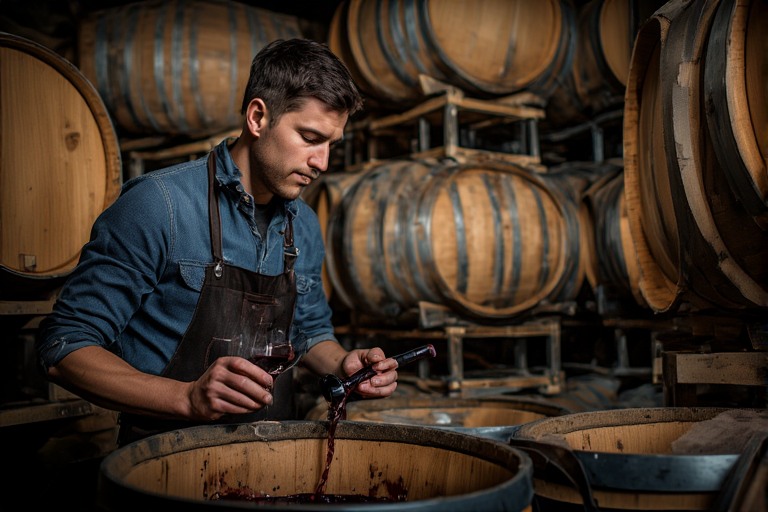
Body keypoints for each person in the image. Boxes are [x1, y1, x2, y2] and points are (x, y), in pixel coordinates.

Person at [36, 38, 399, 446]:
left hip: (276, 463)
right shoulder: (159, 205)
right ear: (258, 117)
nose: (323, 163)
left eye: (332, 144)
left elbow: (309, 332)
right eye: (310, 138)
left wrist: (343, 363)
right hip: (167, 465)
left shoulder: (305, 224)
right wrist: (187, 397)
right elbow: (66, 345)